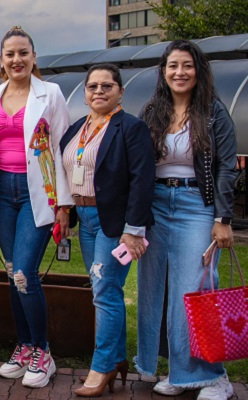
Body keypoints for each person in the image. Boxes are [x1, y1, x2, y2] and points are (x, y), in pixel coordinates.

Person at [135, 40, 238, 400]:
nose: (180, 72)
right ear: (163, 72)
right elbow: (139, 164)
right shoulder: (153, 111)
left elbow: (226, 167)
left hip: (197, 205)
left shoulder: (213, 112)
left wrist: (223, 218)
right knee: (157, 292)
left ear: (198, 71)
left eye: (187, 65)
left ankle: (215, 377)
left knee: (195, 290)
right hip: (157, 206)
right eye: (173, 66)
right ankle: (180, 373)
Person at [0, 26, 71, 388]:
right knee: (11, 272)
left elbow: (62, 149)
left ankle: (42, 352)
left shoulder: (51, 93)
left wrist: (63, 205)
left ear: (34, 57)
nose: (16, 59)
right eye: (9, 54)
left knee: (24, 274)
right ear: (1, 60)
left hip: (39, 192)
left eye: (23, 53)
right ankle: (23, 347)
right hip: (2, 192)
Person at [56, 64, 154, 397]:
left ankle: (101, 367)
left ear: (120, 92)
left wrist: (133, 229)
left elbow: (142, 180)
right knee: (102, 290)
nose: (99, 91)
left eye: (107, 86)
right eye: (93, 86)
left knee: (105, 291)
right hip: (85, 218)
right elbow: (64, 172)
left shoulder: (131, 127)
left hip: (115, 223)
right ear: (84, 92)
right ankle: (116, 359)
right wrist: (65, 210)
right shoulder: (74, 130)